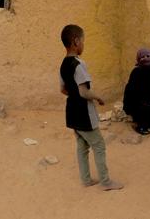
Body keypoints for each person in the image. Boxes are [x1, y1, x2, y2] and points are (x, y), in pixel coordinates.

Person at [59, 25, 123, 191]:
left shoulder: (63, 64)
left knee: (82, 146)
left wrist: (74, 95)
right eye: (83, 41)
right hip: (83, 113)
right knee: (99, 145)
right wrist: (98, 97)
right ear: (76, 41)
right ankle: (106, 182)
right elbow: (84, 92)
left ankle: (86, 179)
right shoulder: (78, 64)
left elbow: (63, 89)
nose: (83, 45)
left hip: (71, 112)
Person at [123, 48, 150, 135]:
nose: (145, 58)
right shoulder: (136, 72)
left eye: (148, 56)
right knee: (144, 121)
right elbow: (131, 93)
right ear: (138, 59)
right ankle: (142, 124)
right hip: (142, 105)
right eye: (142, 57)